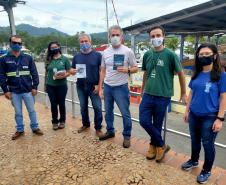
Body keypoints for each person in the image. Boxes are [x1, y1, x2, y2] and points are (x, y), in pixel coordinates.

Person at [139, 26, 187, 162]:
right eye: (153, 36)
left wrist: (184, 93)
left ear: (163, 36)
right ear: (150, 38)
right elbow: (146, 74)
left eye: (158, 35)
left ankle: (153, 146)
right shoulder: (147, 54)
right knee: (144, 121)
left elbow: (181, 74)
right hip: (148, 94)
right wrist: (142, 90)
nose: (156, 38)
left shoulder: (171, 55)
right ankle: (161, 144)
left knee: (157, 124)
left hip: (163, 96)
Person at [181, 43, 226, 184]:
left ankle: (206, 170)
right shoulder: (196, 73)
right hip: (194, 114)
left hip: (210, 116)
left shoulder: (221, 75)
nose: (204, 56)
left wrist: (220, 119)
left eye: (207, 54)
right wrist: (187, 110)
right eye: (201, 54)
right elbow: (191, 92)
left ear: (214, 56)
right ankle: (194, 161)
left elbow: (224, 97)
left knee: (207, 144)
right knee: (195, 141)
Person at [98, 25, 138, 148]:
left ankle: (127, 136)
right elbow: (103, 71)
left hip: (121, 87)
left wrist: (128, 70)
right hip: (108, 87)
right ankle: (110, 131)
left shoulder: (127, 51)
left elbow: (135, 68)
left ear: (121, 36)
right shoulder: (105, 52)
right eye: (112, 35)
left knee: (125, 113)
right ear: (109, 37)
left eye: (117, 35)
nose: (115, 37)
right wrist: (100, 88)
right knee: (108, 111)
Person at [0, 35, 43, 140]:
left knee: (32, 110)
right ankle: (20, 130)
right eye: (15, 43)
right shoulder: (4, 59)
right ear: (10, 44)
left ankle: (35, 127)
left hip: (28, 90)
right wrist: (5, 90)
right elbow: (1, 75)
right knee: (18, 112)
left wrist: (35, 87)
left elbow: (34, 73)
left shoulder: (28, 58)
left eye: (19, 43)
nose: (17, 45)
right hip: (14, 91)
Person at [71, 33, 103, 135]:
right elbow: (72, 69)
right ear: (79, 43)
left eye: (86, 41)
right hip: (80, 86)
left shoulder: (98, 56)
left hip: (94, 86)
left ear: (90, 42)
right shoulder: (76, 56)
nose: (84, 43)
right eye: (82, 42)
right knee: (83, 107)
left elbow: (102, 72)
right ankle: (85, 124)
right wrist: (72, 71)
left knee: (97, 107)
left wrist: (99, 85)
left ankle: (98, 128)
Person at [45, 41, 71, 130]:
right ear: (50, 49)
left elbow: (69, 72)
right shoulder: (48, 59)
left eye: (55, 47)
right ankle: (55, 122)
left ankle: (62, 121)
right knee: (53, 104)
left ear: (59, 47)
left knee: (61, 104)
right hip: (50, 85)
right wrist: (45, 85)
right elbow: (46, 72)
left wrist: (64, 76)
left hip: (62, 85)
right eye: (52, 48)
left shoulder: (65, 59)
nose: (54, 49)